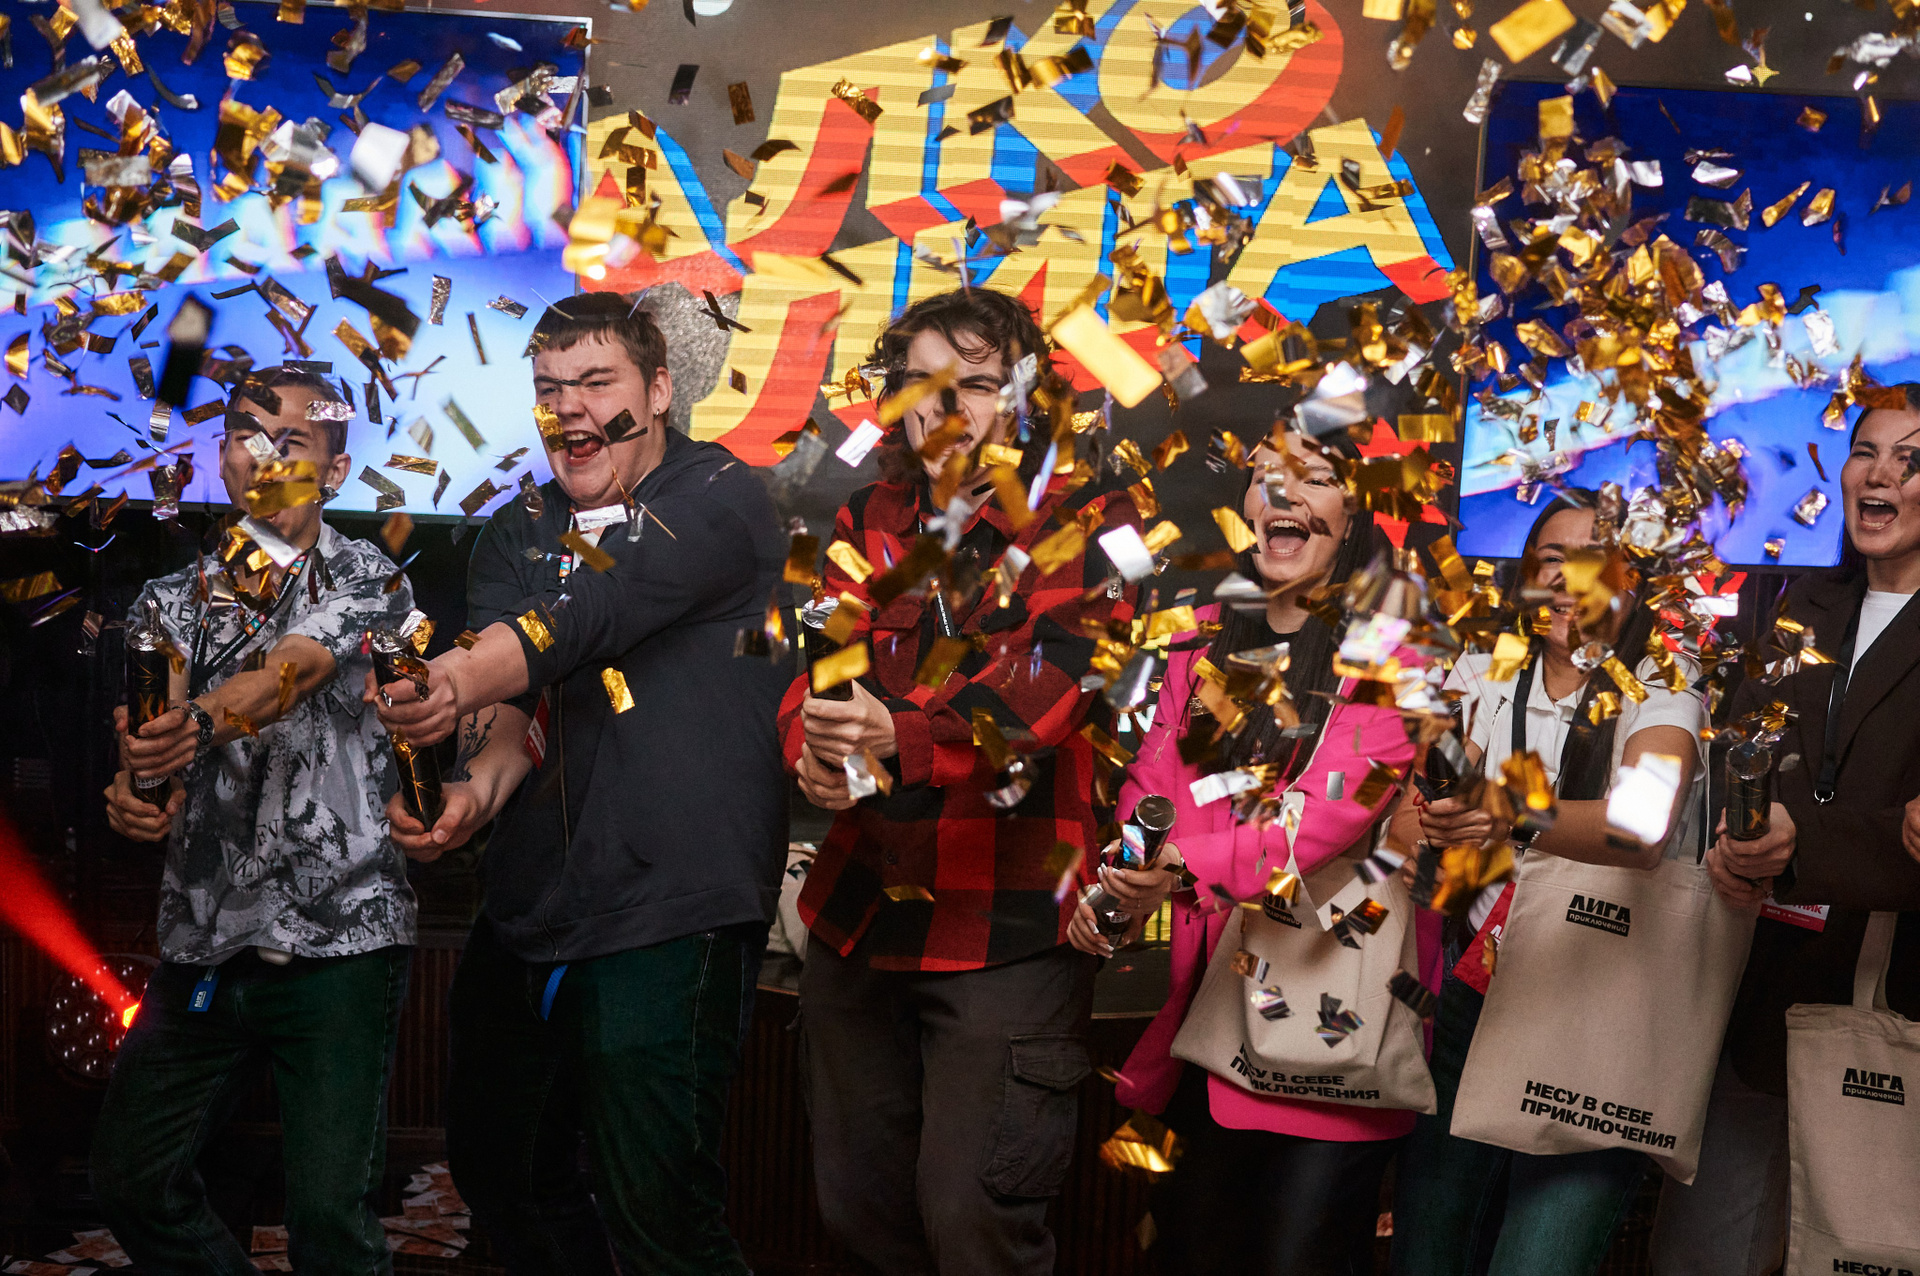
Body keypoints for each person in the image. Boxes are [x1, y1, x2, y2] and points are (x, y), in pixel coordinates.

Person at [369, 292, 789, 1275]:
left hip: (669, 907)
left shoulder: (719, 494)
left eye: (598, 382)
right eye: (551, 388)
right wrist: (471, 791)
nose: (571, 408)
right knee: (502, 1171)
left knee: (660, 1213)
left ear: (659, 390)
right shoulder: (517, 527)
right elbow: (515, 705)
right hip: (532, 906)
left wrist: (450, 678)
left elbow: (587, 613)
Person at [781, 288, 1139, 1276]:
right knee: (855, 1212)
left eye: (976, 383)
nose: (947, 408)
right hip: (861, 915)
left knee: (974, 1223)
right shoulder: (862, 515)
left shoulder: (1093, 518)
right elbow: (815, 675)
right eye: (923, 383)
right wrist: (815, 747)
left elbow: (1048, 690)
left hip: (1006, 924)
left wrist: (895, 735)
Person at [1091, 413, 1440, 1276]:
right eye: (1265, 474)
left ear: (1354, 515)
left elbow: (1330, 815)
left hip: (1333, 1016)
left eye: (1315, 477)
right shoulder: (1199, 634)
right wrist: (1130, 871)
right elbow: (1153, 778)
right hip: (1211, 1012)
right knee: (1190, 1249)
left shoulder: (1393, 656)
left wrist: (1183, 863)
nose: (1283, 491)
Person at [92, 367, 416, 1275]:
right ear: (222, 455)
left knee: (330, 1223)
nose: (264, 459)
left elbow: (288, 674)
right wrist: (138, 792)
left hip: (341, 939)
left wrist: (197, 723)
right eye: (246, 435)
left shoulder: (370, 578)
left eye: (292, 445)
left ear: (336, 472)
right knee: (132, 1178)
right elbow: (150, 747)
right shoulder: (167, 603)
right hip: (205, 938)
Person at [1389, 489, 1706, 1276]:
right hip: (1472, 999)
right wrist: (1439, 820)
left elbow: (1640, 825)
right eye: (1551, 561)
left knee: (1539, 1262)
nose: (1568, 581)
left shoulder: (1665, 677)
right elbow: (1404, 825)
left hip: (1602, 1018)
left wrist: (1504, 812)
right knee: (1426, 1254)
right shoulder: (1484, 667)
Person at [1650, 387, 1920, 1275]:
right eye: (1866, 451)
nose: (1881, 474)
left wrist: (1803, 843)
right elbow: (1743, 747)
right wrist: (1743, 833)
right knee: (1701, 1253)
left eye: (1912, 459)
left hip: (1894, 1002)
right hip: (1758, 985)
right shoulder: (1797, 598)